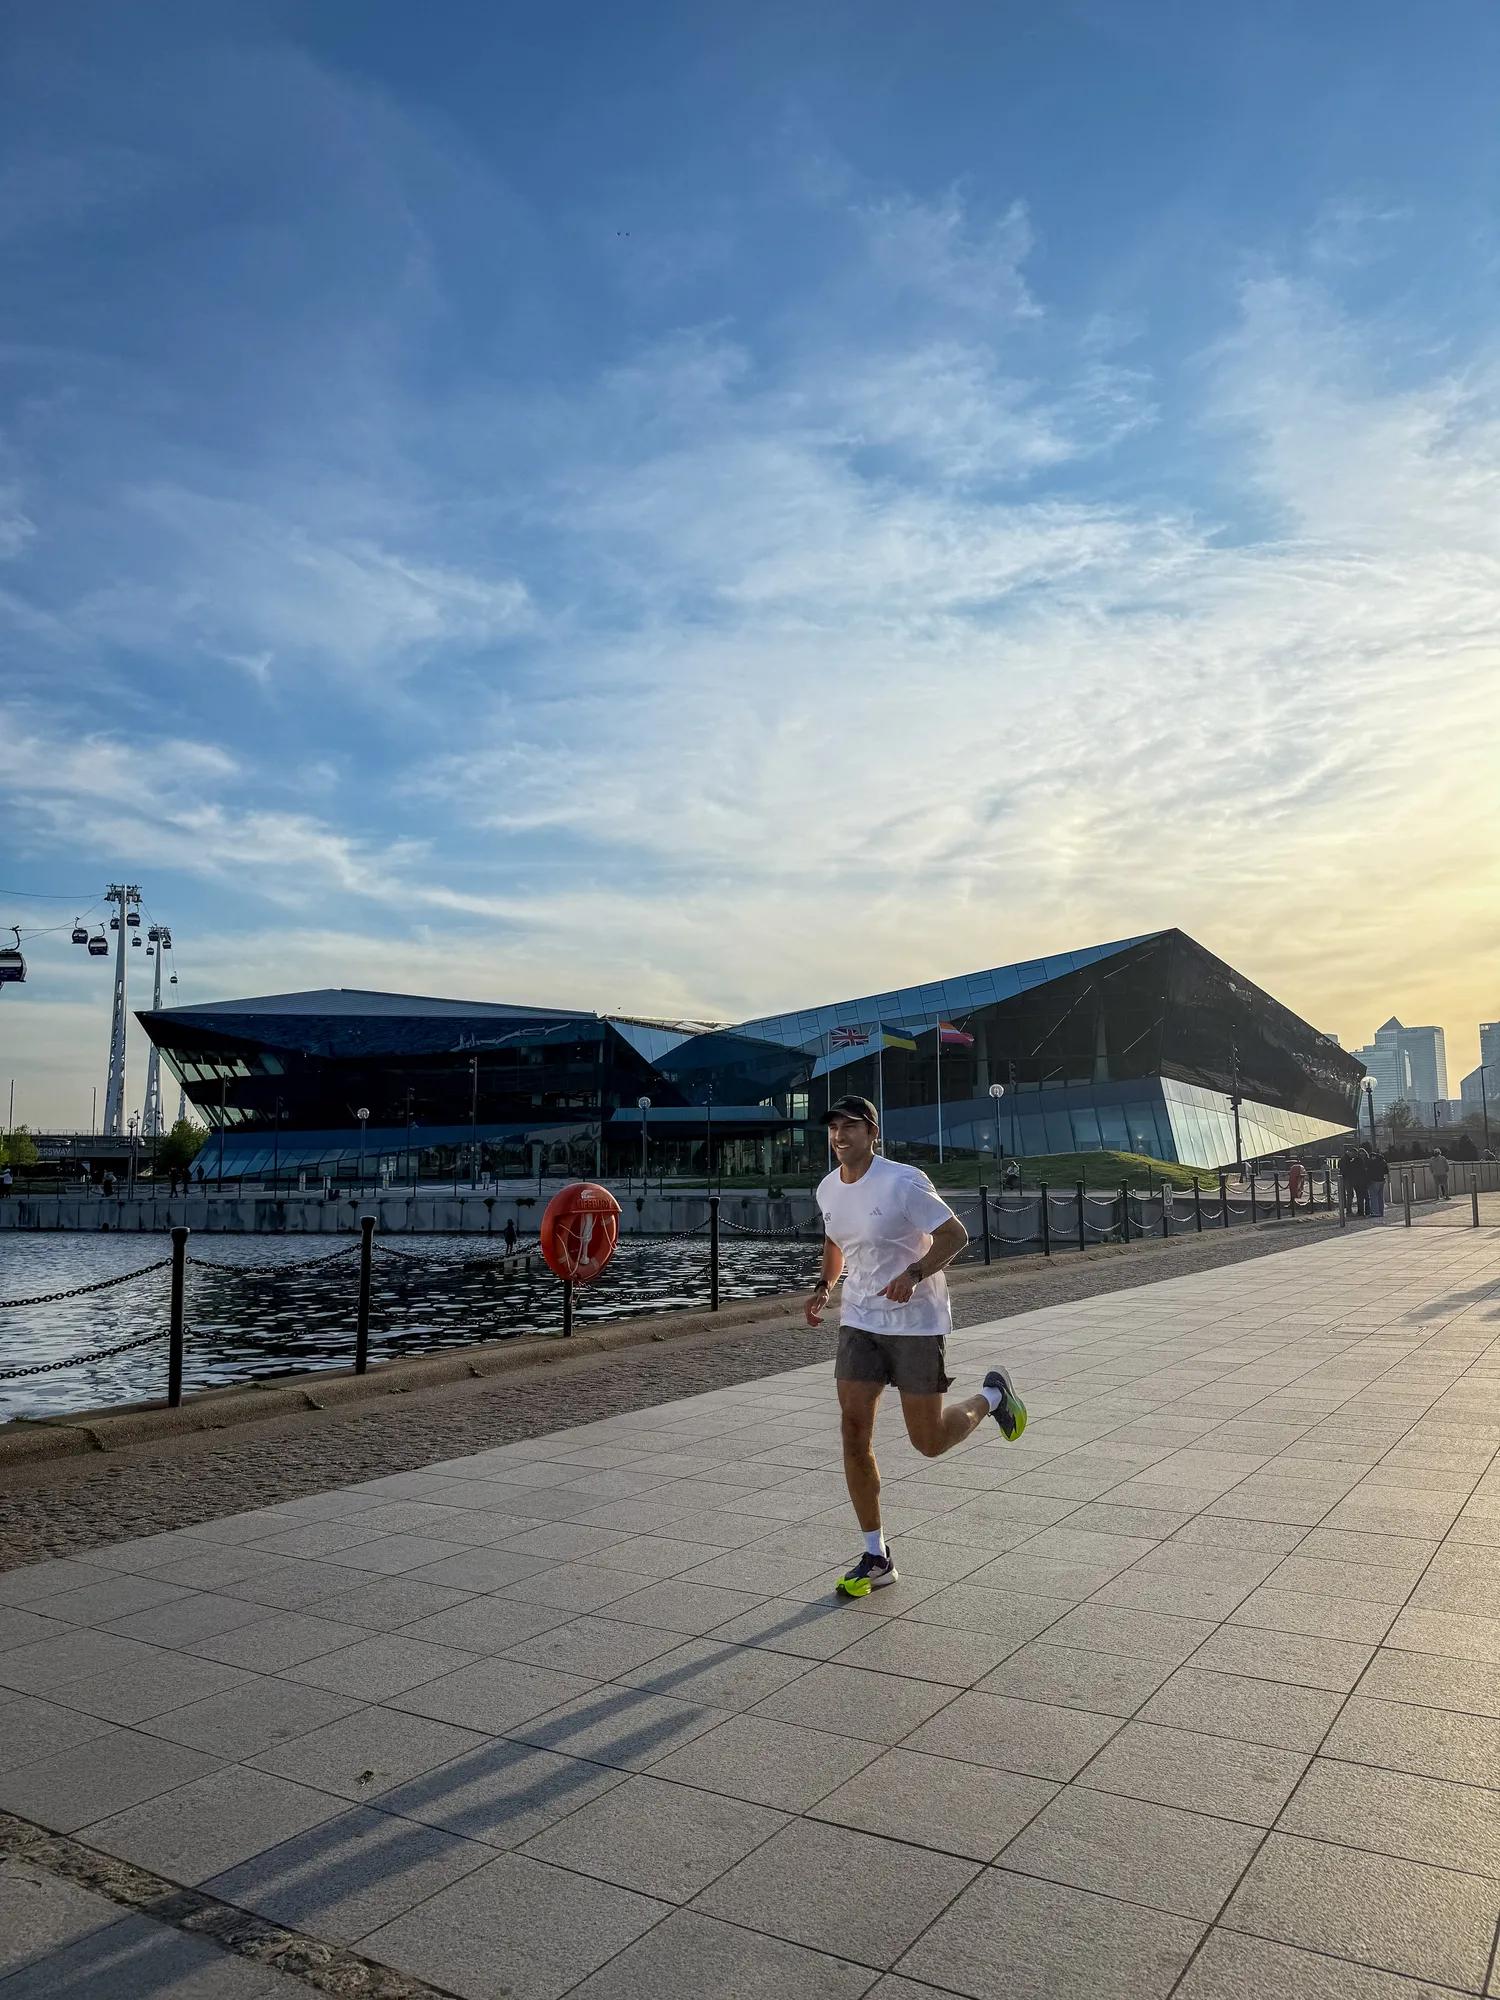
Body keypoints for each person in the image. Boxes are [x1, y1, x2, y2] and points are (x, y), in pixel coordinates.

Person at [806, 1094, 1026, 1599]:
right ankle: (876, 1554)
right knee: (853, 1428)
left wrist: (916, 1273)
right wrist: (824, 1286)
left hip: (916, 1322)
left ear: (873, 1134)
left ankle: (993, 1397)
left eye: (851, 1127)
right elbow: (838, 1241)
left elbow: (955, 1234)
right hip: (860, 1319)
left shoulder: (903, 1181)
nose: (840, 1135)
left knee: (927, 1441)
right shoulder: (827, 1189)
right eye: (834, 1127)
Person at [1367, 1148, 1389, 1218]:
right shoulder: (1383, 1161)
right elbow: (1386, 1171)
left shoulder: (1372, 1162)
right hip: (1382, 1180)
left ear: (1373, 1156)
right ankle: (1381, 1211)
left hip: (1374, 1180)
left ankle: (1375, 1212)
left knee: (1373, 1196)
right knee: (1380, 1197)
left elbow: (1369, 1172)